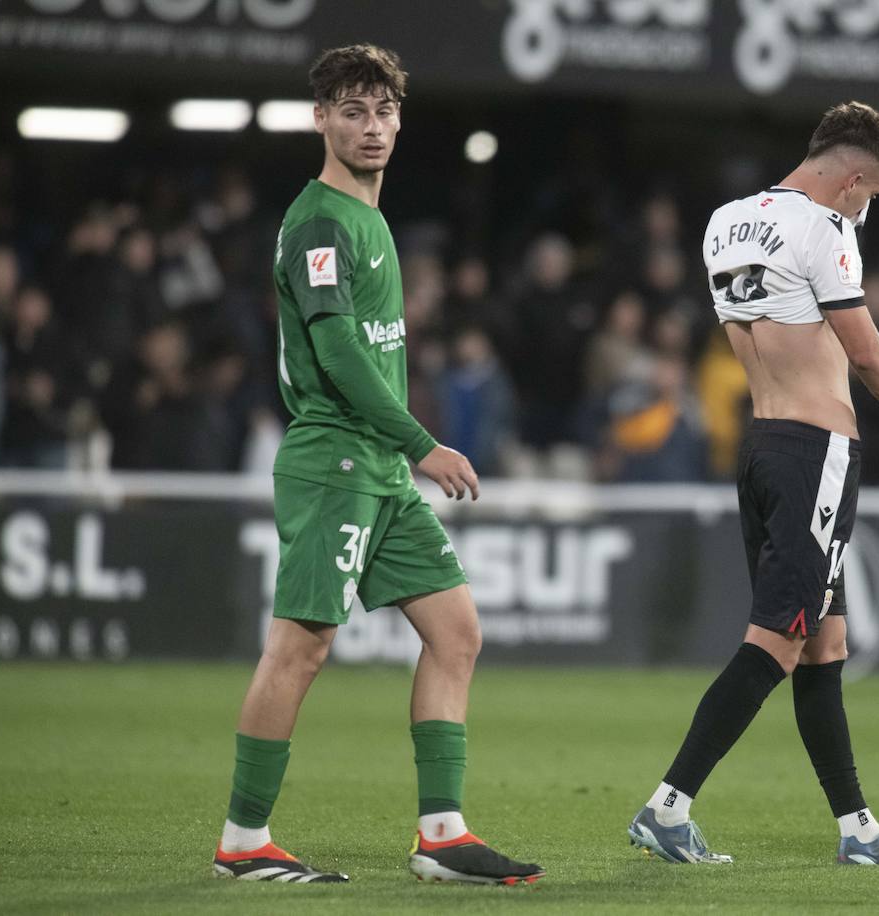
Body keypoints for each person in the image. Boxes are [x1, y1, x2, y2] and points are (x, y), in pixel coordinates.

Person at [212, 44, 542, 886]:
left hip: (379, 472)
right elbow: (338, 352)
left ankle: (441, 834)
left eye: (384, 110)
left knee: (456, 631)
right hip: (337, 460)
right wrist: (422, 444)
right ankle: (243, 843)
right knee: (302, 646)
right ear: (320, 118)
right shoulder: (322, 219)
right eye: (352, 111)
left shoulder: (367, 214)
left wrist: (402, 456)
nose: (371, 127)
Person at [628, 101, 879, 867]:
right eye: (869, 196)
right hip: (817, 454)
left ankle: (858, 830)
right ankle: (668, 806)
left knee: (823, 643)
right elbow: (865, 353)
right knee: (780, 637)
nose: (865, 211)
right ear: (854, 178)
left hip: (761, 445)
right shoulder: (824, 228)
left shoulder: (725, 222)